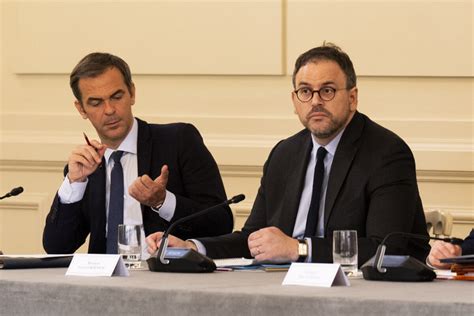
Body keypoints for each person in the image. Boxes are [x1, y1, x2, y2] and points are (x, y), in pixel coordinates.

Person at [146, 43, 430, 265]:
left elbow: (387, 246)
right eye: (306, 91)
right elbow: (253, 239)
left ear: (352, 97)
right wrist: (193, 247)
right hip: (288, 285)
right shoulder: (285, 154)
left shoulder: (386, 153)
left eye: (328, 91)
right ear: (295, 101)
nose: (316, 101)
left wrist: (299, 249)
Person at [43, 53, 233, 257]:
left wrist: (163, 201)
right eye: (96, 103)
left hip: (165, 279)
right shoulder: (85, 166)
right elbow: (57, 247)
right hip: (103, 282)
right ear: (81, 109)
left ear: (132, 93)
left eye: (116, 97)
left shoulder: (178, 141)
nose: (109, 110)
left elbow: (221, 223)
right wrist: (74, 183)